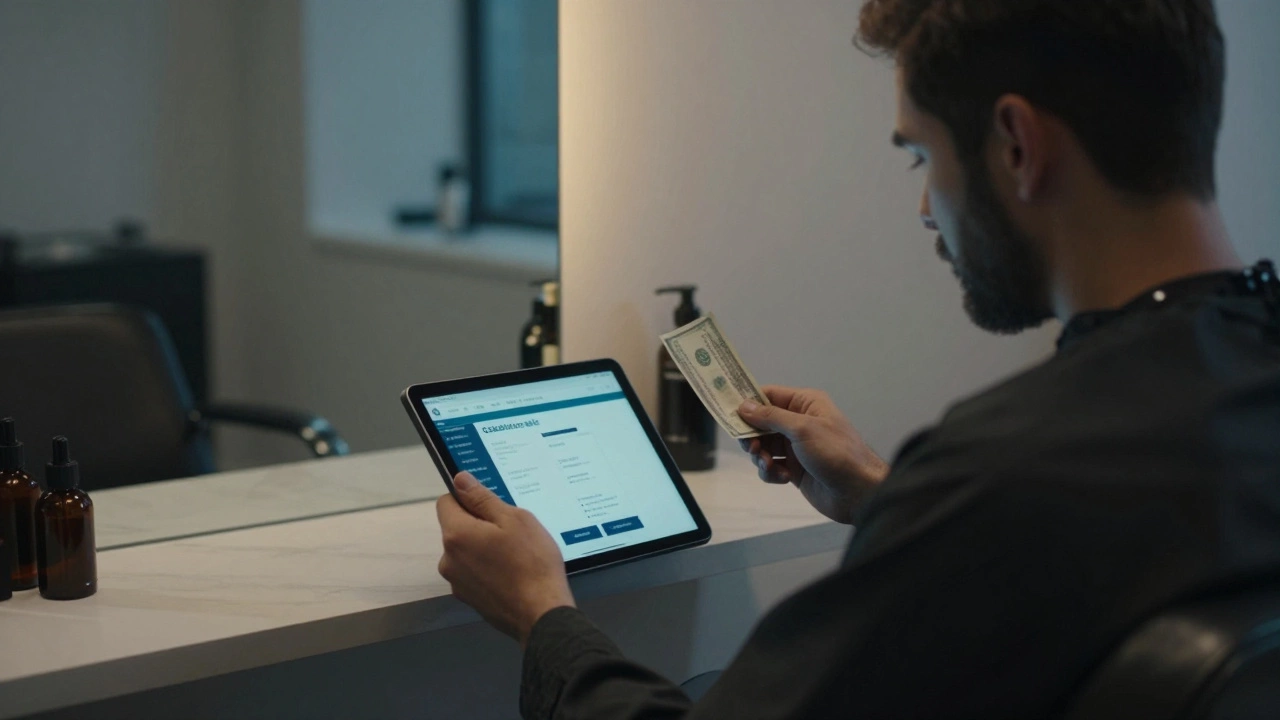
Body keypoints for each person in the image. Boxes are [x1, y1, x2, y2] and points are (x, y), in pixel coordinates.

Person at [435, 0, 1280, 717]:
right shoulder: (1220, 397)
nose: (924, 208)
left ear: (1018, 145)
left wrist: (542, 612)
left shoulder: (1002, 474)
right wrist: (890, 496)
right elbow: (1119, 539)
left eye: (921, 155)